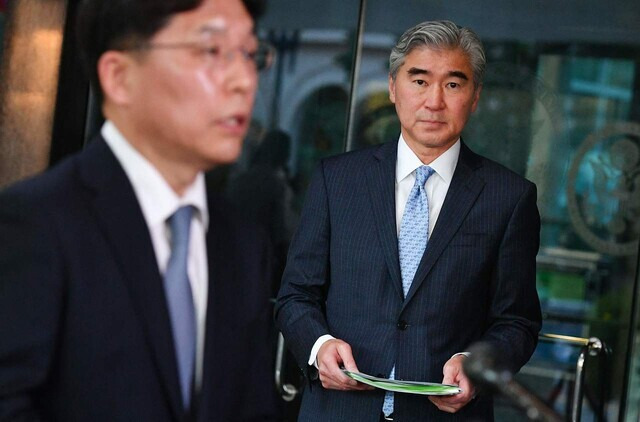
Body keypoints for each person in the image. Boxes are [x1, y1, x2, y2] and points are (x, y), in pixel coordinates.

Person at [0, 0, 279, 420]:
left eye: (250, 54)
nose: (244, 80)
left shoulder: (241, 243)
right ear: (119, 76)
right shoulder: (34, 224)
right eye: (211, 51)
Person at [275, 20, 541, 421]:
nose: (434, 101)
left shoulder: (509, 197)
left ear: (475, 97)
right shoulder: (338, 179)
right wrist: (318, 345)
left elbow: (517, 321)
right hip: (338, 410)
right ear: (393, 88)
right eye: (419, 81)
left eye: (453, 84)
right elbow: (295, 294)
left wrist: (476, 367)